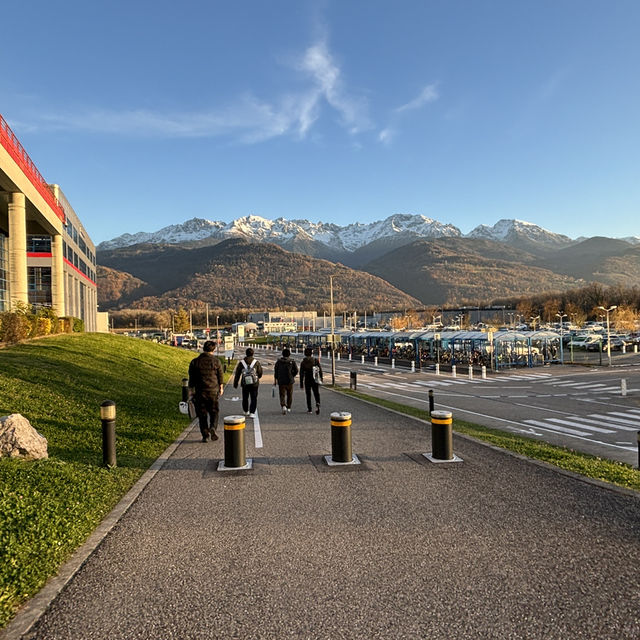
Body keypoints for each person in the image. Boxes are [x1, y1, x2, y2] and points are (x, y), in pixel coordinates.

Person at [188, 340, 225, 442]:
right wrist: (221, 387)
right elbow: (220, 376)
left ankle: (205, 435)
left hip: (200, 391)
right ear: (213, 349)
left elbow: (191, 378)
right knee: (214, 412)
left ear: (203, 348)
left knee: (202, 414)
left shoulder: (195, 362)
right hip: (213, 390)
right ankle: (213, 427)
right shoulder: (216, 361)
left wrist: (191, 390)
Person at [232, 347, 263, 418]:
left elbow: (237, 373)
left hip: (245, 383)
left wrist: (235, 383)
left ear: (246, 354)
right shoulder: (256, 362)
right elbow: (260, 372)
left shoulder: (242, 362)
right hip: (254, 383)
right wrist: (257, 377)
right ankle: (252, 412)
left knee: (245, 397)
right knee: (254, 397)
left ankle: (246, 411)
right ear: (253, 354)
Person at [274, 347, 298, 414]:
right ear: (289, 354)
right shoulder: (292, 361)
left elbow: (276, 371)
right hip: (290, 380)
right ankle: (289, 407)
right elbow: (296, 370)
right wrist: (292, 375)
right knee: (289, 394)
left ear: (282, 354)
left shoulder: (279, 362)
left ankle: (283, 405)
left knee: (282, 394)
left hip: (281, 380)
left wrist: (276, 379)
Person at [299, 347, 323, 414]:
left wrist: (301, 383)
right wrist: (321, 378)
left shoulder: (303, 362)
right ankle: (318, 403)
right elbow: (320, 370)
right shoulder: (315, 360)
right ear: (312, 353)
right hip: (315, 379)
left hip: (307, 379)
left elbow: (301, 373)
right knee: (316, 393)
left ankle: (309, 409)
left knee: (308, 394)